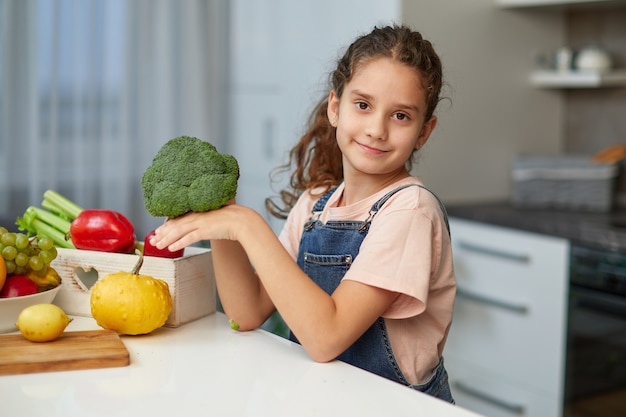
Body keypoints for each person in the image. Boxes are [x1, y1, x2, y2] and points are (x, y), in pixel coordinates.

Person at [151, 24, 456, 403]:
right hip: (323, 399)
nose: (377, 129)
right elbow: (247, 312)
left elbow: (326, 337)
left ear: (424, 132)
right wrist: (223, 217)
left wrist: (247, 225)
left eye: (401, 116)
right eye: (363, 105)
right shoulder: (316, 204)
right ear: (335, 107)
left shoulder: (410, 211)